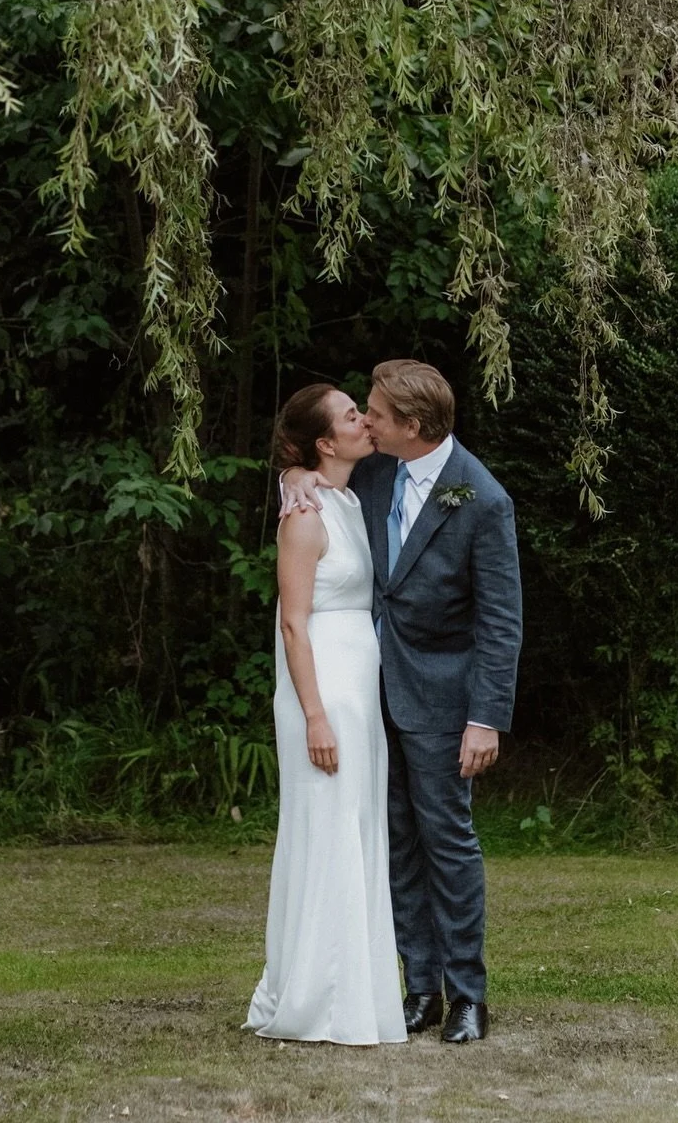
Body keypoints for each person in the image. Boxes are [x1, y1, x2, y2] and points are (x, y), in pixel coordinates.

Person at [279, 359, 522, 1045]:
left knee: (447, 841)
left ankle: (466, 994)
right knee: (395, 843)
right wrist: (291, 478)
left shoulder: (482, 499)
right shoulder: (379, 468)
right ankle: (418, 987)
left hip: (445, 701)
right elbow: (312, 481)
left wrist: (485, 718)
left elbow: (502, 621)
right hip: (366, 690)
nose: (367, 422)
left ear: (412, 426)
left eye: (377, 414)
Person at [246, 384, 407, 1045]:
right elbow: (291, 623)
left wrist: (292, 474)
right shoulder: (305, 516)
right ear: (323, 441)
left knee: (358, 825)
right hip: (323, 686)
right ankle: (320, 998)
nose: (365, 422)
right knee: (327, 827)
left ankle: (356, 993)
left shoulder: (339, 496)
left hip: (357, 684)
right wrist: (314, 715)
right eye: (351, 417)